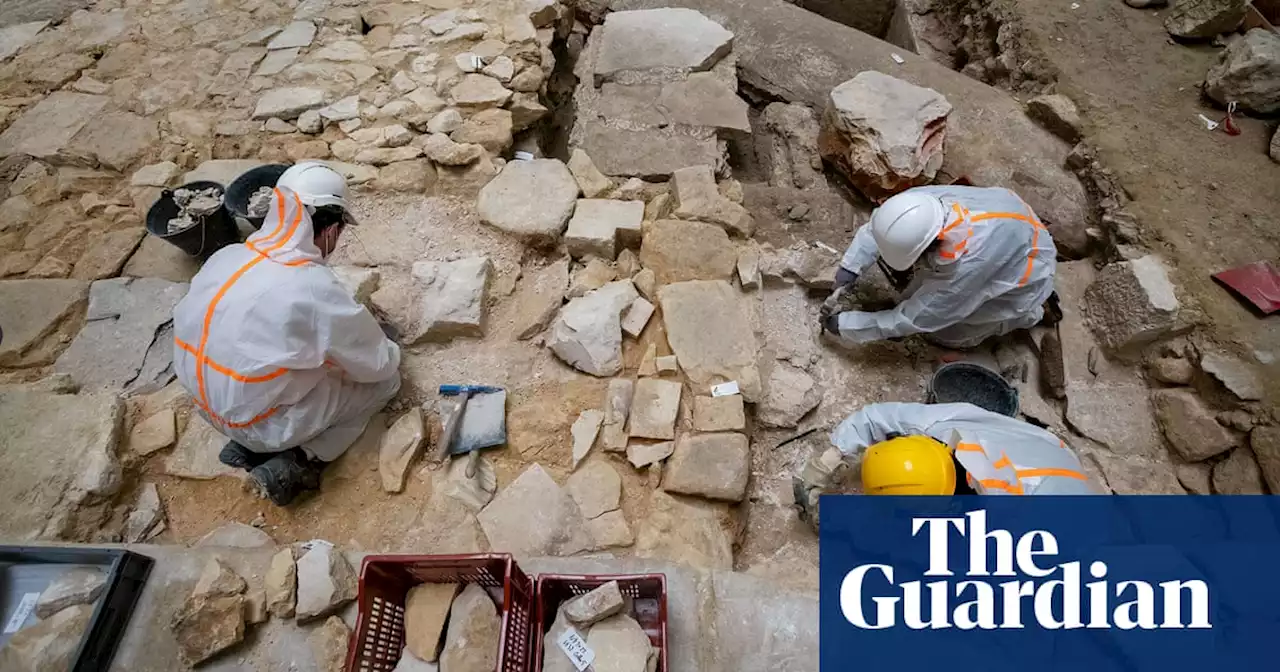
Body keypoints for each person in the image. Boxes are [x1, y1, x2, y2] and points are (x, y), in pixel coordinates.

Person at [172, 162, 401, 506]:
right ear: (330, 229)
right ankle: (300, 460)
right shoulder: (310, 287)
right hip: (261, 424)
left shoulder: (227, 256)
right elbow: (378, 365)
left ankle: (246, 447)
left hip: (207, 408)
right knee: (386, 383)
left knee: (298, 363)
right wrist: (390, 347)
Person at [792, 402, 1098, 530]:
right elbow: (874, 417)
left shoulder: (1008, 527)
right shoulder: (941, 431)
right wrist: (826, 462)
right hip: (1047, 448)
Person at [821, 185, 1059, 349]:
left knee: (944, 333)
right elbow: (881, 226)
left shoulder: (967, 268)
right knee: (915, 292)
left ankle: (1033, 313)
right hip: (1011, 220)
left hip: (1027, 272)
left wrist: (848, 326)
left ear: (930, 246)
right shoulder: (923, 205)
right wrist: (850, 266)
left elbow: (913, 319)